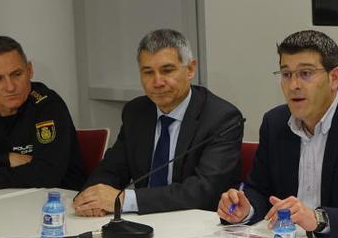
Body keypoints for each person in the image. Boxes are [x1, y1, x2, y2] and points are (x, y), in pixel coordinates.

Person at [216, 30, 338, 238]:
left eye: (305, 73)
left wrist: (319, 219)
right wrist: (245, 207)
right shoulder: (274, 123)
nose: (294, 85)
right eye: (286, 74)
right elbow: (260, 189)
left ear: (334, 78)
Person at [73, 29, 242, 215]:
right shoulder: (136, 112)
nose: (157, 82)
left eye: (167, 70)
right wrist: (91, 199)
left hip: (195, 226)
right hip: (142, 223)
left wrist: (124, 200)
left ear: (191, 69)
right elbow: (112, 169)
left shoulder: (221, 118)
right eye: (148, 72)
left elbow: (203, 191)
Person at [0, 36, 85, 189]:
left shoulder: (47, 105)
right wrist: (6, 159)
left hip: (54, 203)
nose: (10, 87)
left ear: (29, 70)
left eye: (17, 74)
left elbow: (46, 175)